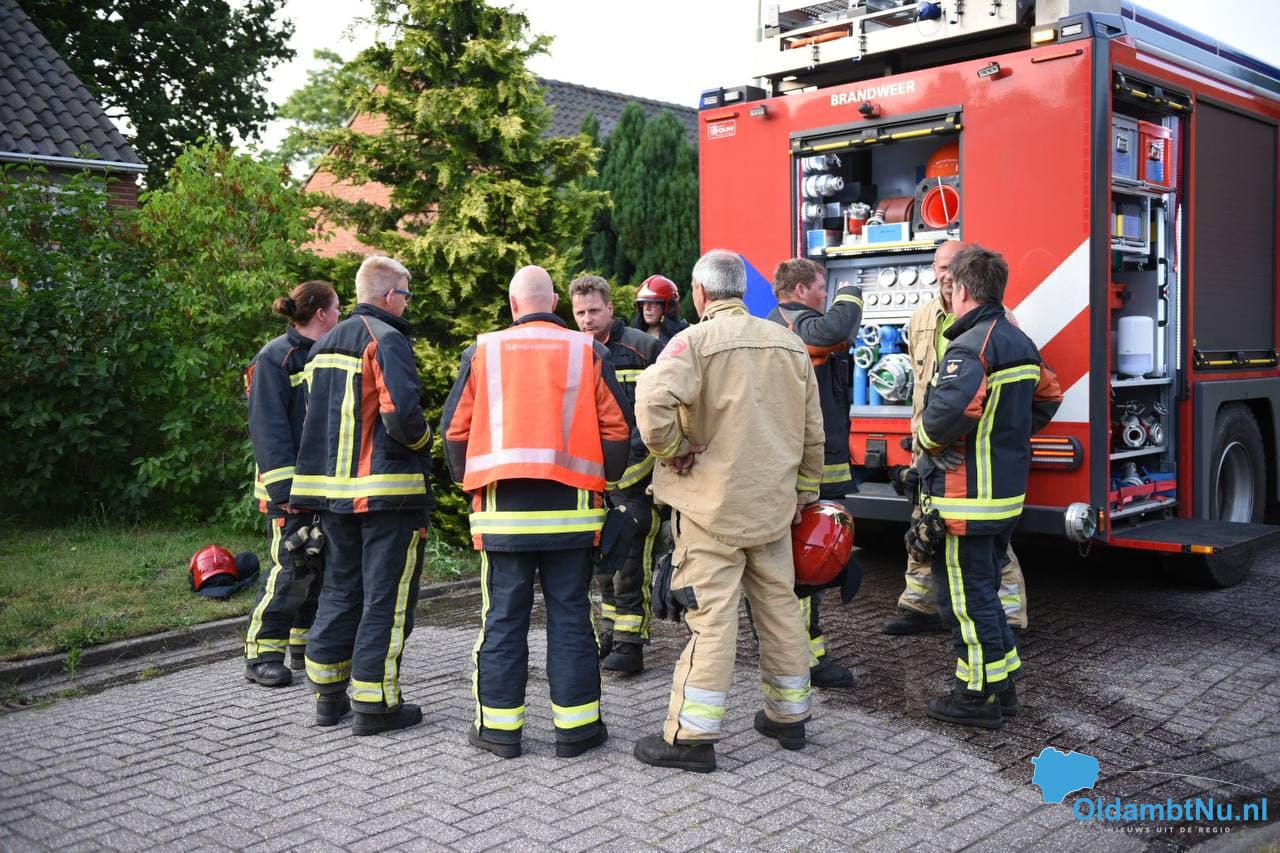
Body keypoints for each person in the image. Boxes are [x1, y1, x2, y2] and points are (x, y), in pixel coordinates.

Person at [632, 249, 824, 773]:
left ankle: (690, 737)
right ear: (742, 290)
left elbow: (651, 405)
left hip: (709, 510)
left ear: (699, 293)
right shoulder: (789, 343)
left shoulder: (692, 343)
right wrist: (803, 494)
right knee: (780, 610)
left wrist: (673, 451)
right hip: (773, 508)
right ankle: (789, 717)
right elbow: (813, 431)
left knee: (712, 620)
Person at [441, 265, 632, 760]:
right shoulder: (587, 350)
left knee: (503, 619)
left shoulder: (483, 351)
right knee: (571, 616)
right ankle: (578, 731)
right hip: (573, 514)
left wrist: (471, 485)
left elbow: (454, 432)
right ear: (556, 303)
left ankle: (499, 732)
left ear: (513, 305)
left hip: (502, 514)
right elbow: (617, 429)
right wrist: (605, 481)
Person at [913, 245, 1061, 729]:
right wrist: (1004, 435)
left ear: (961, 289)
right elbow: (1049, 395)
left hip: (966, 498)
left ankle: (977, 697)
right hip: (1003, 497)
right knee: (984, 592)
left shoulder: (970, 345)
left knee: (965, 601)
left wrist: (926, 442)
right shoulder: (1019, 341)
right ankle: (1004, 683)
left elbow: (943, 418)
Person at [290, 255, 434, 735]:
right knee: (385, 598)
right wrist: (425, 443)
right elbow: (402, 417)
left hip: (333, 499)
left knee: (340, 590)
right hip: (387, 496)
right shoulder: (386, 339)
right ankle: (376, 706)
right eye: (406, 294)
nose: (407, 302)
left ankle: (328, 697)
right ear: (390, 294)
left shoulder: (321, 345)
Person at [884, 241, 1031, 635]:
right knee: (923, 526)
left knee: (984, 540)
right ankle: (920, 605)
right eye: (939, 266)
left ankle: (1009, 616)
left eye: (952, 266)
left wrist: (999, 432)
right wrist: (924, 444)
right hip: (928, 445)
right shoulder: (921, 318)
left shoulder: (999, 322)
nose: (945, 274)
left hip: (969, 454)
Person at [767, 258, 863, 689]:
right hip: (804, 472)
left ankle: (807, 654)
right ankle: (801, 661)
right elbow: (835, 329)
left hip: (818, 467)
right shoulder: (793, 326)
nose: (827, 295)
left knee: (809, 568)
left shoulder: (799, 324)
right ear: (801, 290)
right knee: (803, 567)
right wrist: (852, 291)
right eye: (822, 287)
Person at [243, 280, 341, 687]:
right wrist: (285, 494)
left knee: (318, 571)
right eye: (337, 308)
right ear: (321, 313)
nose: (341, 315)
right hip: (288, 492)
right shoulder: (274, 359)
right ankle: (261, 654)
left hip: (324, 488)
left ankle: (302, 648)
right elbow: (268, 431)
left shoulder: (326, 354)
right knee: (289, 572)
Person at [569, 275, 662, 676]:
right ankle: (611, 633)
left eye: (593, 311)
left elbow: (659, 417)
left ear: (610, 308)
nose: (586, 320)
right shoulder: (575, 351)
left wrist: (628, 473)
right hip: (594, 479)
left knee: (630, 559)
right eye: (579, 313)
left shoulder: (643, 349)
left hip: (636, 478)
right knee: (604, 561)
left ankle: (630, 642)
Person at [631, 274, 689, 349]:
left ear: (668, 306)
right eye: (643, 303)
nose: (647, 308)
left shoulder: (682, 335)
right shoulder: (632, 334)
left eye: (652, 303)